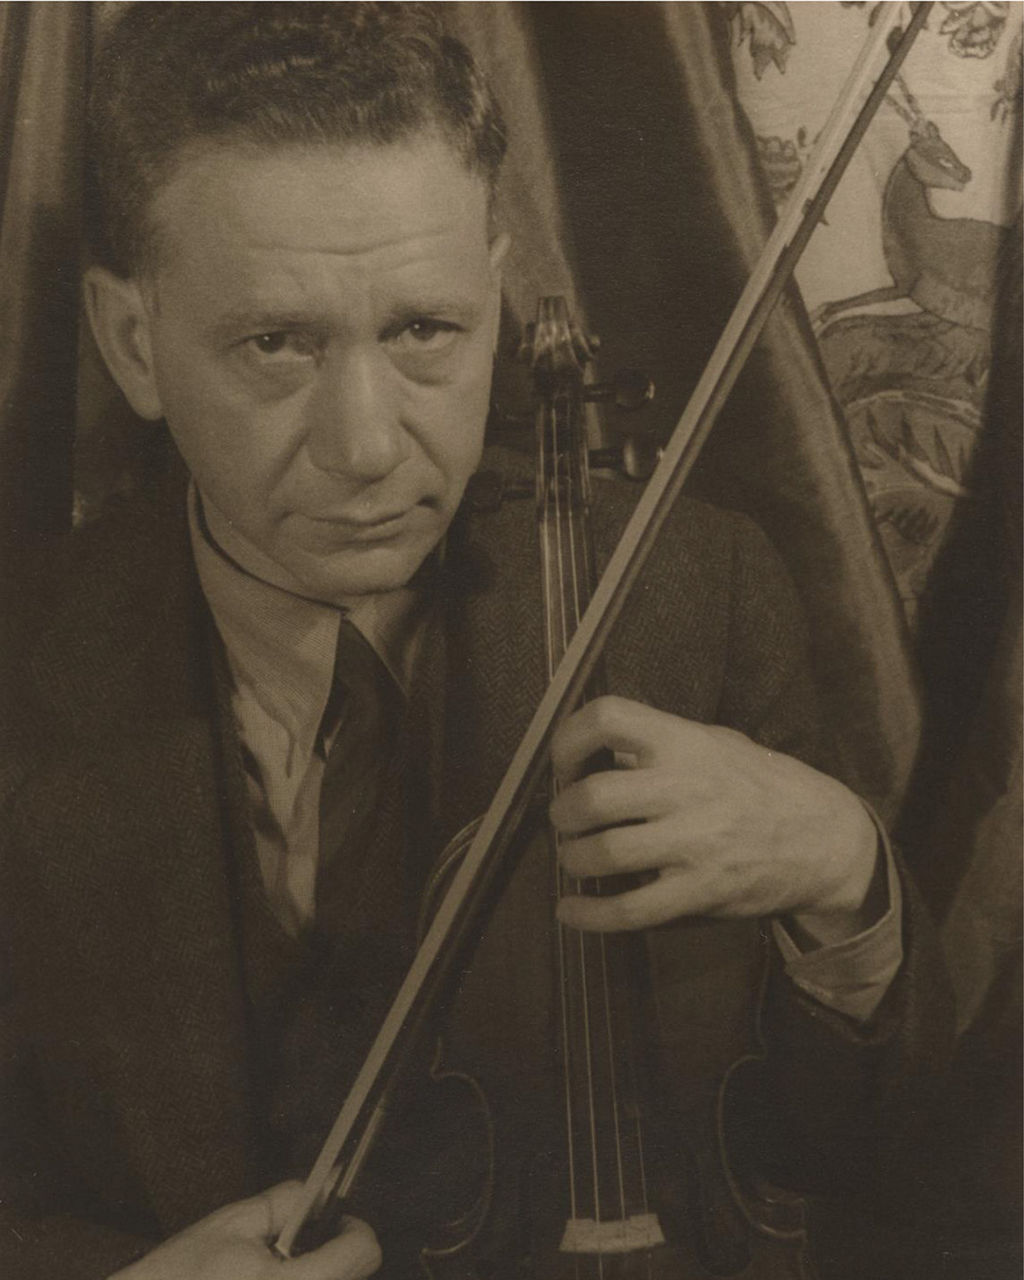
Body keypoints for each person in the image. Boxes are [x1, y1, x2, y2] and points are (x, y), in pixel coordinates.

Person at [0, 5, 952, 1279]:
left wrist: (844, 878)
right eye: (275, 343)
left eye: (423, 332)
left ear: (495, 295)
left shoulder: (694, 586)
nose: (365, 445)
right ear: (134, 344)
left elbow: (869, 1159)